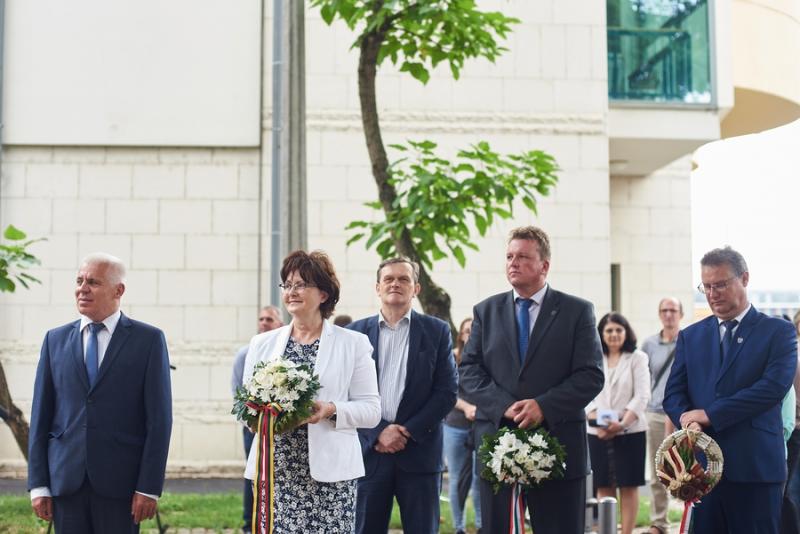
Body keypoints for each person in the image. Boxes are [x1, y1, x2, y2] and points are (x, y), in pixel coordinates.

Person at [460, 226, 605, 534]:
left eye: (523, 257)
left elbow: (591, 375)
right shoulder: (486, 311)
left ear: (544, 265)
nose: (513, 263)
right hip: (497, 448)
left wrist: (544, 406)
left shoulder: (577, 311)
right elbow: (468, 370)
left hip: (559, 446)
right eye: (509, 256)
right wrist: (504, 405)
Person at [28, 253, 173, 533]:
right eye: (79, 281)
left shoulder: (148, 340)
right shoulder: (54, 340)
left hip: (122, 485)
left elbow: (159, 420)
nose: (82, 289)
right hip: (65, 483)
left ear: (118, 290)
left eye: (93, 282)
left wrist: (148, 487)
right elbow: (41, 415)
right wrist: (39, 484)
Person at [242, 250, 380, 533]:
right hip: (276, 472)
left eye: (301, 284)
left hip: (331, 477)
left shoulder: (353, 344)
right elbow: (246, 406)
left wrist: (330, 410)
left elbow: (371, 410)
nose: (291, 291)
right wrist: (257, 418)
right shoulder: (261, 344)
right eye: (287, 284)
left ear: (324, 294)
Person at [664, 246, 797, 534]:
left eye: (721, 284)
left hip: (756, 470)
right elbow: (673, 394)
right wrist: (687, 419)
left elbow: (772, 388)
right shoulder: (690, 336)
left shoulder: (779, 332)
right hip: (702, 472)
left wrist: (709, 414)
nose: (712, 294)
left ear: (745, 278)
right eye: (706, 286)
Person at [348, 257, 458, 534]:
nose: (395, 284)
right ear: (377, 287)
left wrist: (406, 431)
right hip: (369, 453)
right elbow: (345, 393)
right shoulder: (354, 334)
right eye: (388, 279)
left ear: (416, 288)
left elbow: (446, 392)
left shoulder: (437, 331)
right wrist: (379, 432)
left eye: (403, 279)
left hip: (420, 455)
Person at [586, 312, 650, 534]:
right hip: (597, 432)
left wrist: (621, 424)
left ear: (626, 332)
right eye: (609, 330)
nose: (614, 334)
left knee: (628, 485)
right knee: (603, 484)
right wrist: (596, 419)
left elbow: (642, 396)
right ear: (601, 334)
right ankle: (608, 530)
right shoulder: (592, 358)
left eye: (618, 330)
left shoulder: (638, 358)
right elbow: (585, 392)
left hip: (630, 432)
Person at [230, 305, 283, 534]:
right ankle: (249, 524)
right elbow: (237, 394)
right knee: (253, 473)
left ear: (280, 323)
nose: (264, 323)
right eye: (261, 319)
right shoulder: (245, 353)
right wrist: (251, 422)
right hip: (254, 427)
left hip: (283, 426)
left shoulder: (284, 351)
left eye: (269, 319)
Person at [640, 297, 683, 534]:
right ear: (659, 314)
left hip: (683, 415)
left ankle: (689, 518)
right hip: (656, 414)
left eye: (673, 310)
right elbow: (644, 379)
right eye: (664, 310)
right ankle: (660, 523)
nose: (668, 314)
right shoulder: (649, 344)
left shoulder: (688, 341)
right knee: (659, 469)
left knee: (686, 468)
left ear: (680, 314)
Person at [443, 318, 482, 534]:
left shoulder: (487, 358)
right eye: (468, 330)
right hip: (455, 426)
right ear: (461, 335)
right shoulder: (452, 357)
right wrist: (467, 407)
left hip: (481, 426)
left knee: (479, 477)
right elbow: (446, 392)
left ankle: (481, 525)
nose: (471, 334)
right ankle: (459, 527)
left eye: (475, 330)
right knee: (457, 477)